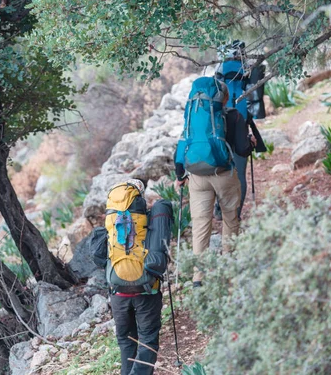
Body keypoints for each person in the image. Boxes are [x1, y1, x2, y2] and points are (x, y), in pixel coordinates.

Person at [175, 82, 253, 287]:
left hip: (197, 176)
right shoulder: (234, 115)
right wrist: (251, 142)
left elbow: (183, 141)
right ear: (224, 98)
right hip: (224, 175)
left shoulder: (193, 114)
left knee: (201, 225)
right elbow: (243, 151)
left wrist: (179, 174)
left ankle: (198, 278)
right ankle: (229, 267)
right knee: (230, 218)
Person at [108, 178, 163, 375]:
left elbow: (99, 256)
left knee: (126, 340)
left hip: (118, 291)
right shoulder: (146, 221)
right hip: (146, 289)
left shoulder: (111, 223)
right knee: (147, 339)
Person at [213, 41, 265, 221]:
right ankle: (236, 214)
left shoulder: (219, 71)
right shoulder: (249, 70)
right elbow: (256, 102)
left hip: (221, 125)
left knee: (221, 169)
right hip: (241, 124)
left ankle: (219, 208)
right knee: (240, 173)